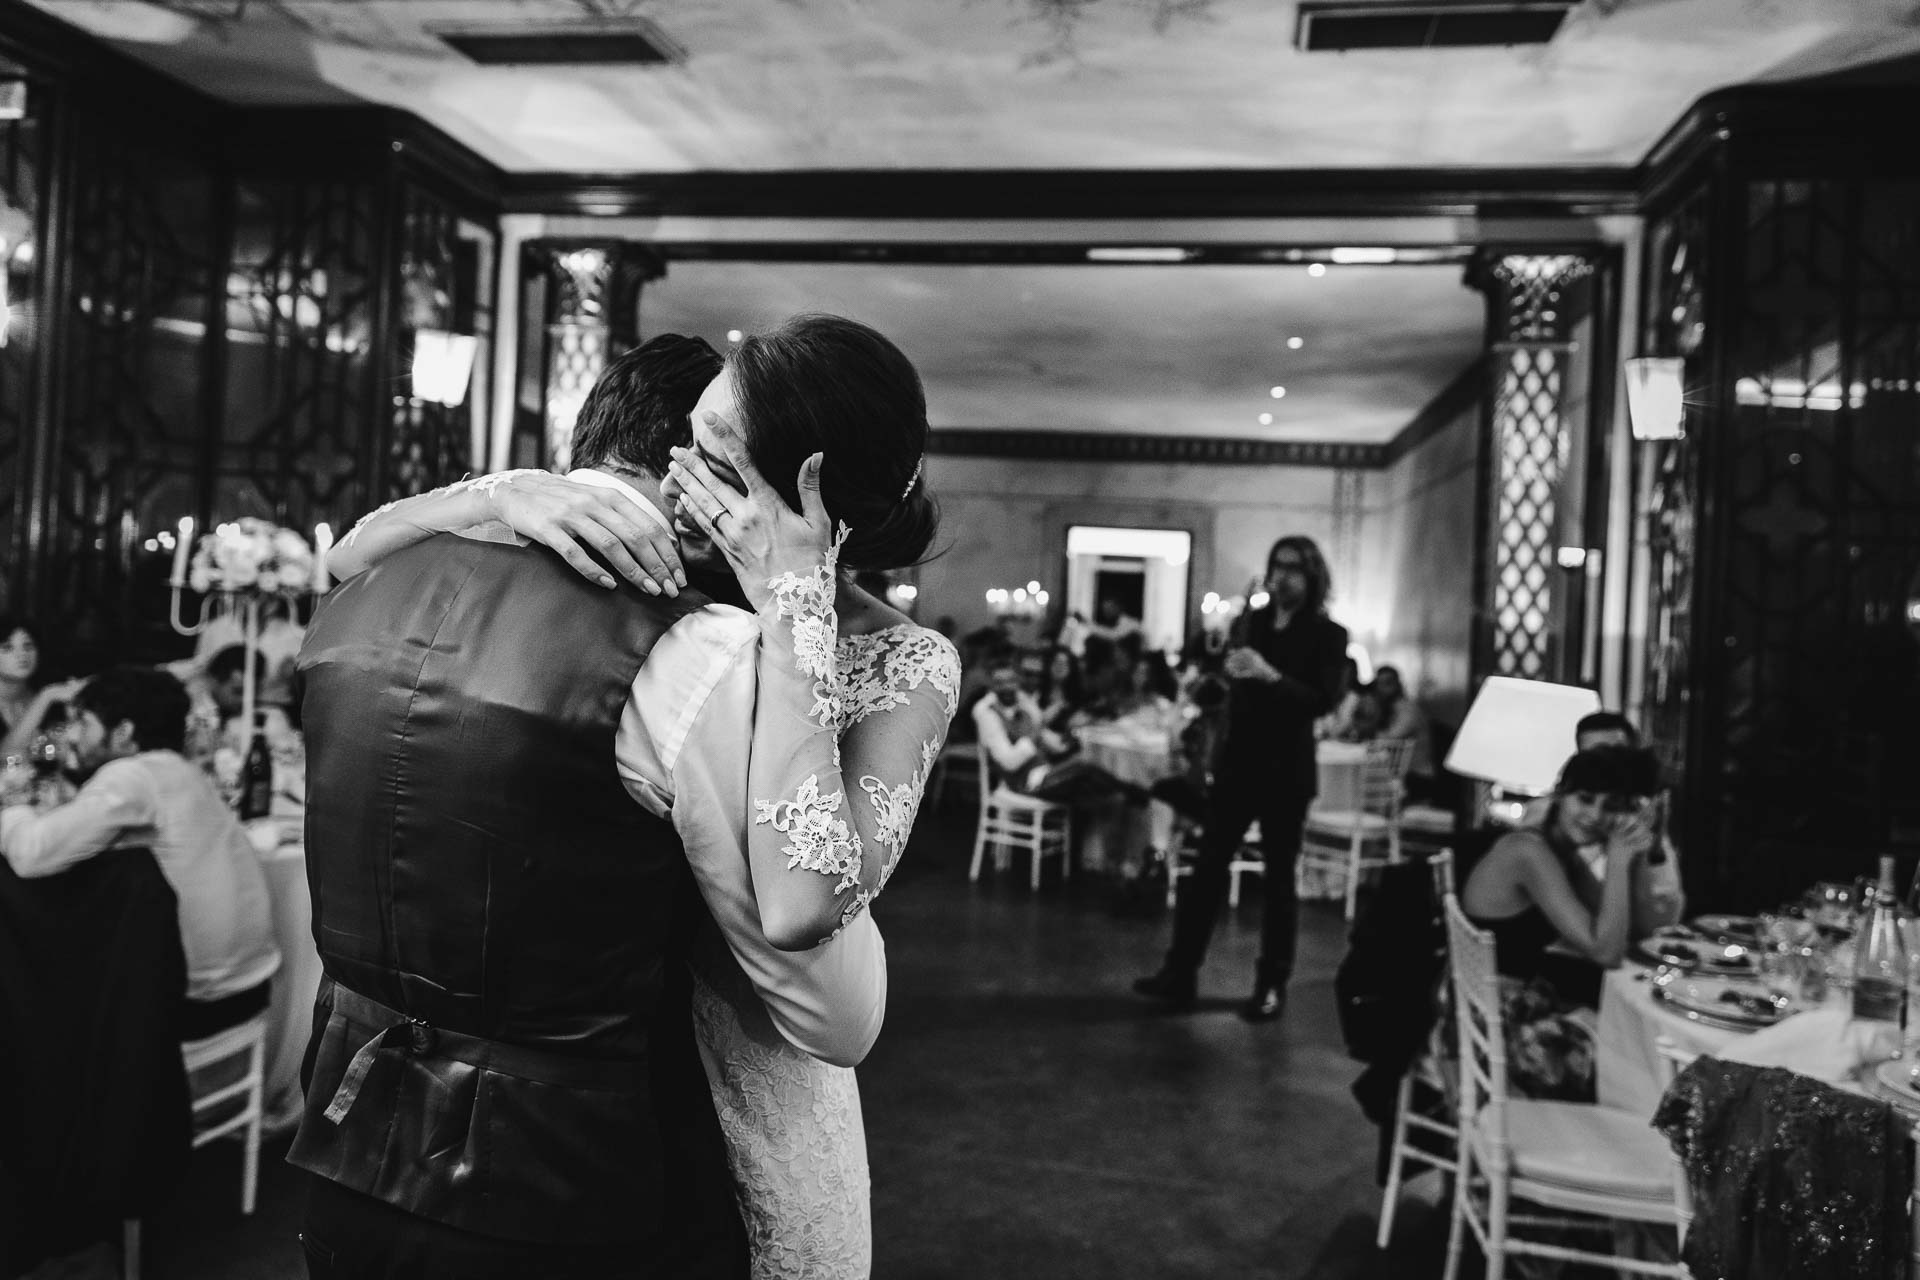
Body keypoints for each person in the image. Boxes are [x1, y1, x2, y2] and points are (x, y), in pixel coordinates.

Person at [304, 318, 958, 1280]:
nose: (678, 476)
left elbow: (831, 992)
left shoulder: (876, 657)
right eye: (685, 441)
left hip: (720, 1071)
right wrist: (501, 490)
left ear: (804, 502)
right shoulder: (675, 627)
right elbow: (344, 558)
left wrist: (794, 616)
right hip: (575, 1111)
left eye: (715, 460)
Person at [0, 665, 281, 1037]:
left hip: (196, 1001)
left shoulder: (134, 776)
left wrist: (13, 804)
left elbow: (31, 854)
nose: (73, 735)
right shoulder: (182, 771)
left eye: (83, 722)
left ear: (124, 732)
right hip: (249, 986)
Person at [1135, 535, 1348, 1022]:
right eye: (1278, 566)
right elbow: (1229, 687)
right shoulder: (1250, 623)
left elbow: (1321, 701)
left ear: (1312, 576)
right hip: (1239, 764)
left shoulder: (1329, 634)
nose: (1283, 577)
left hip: (1287, 771)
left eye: (1294, 569)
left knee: (1279, 884)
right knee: (1207, 872)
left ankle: (1271, 985)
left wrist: (1269, 674)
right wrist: (1219, 680)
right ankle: (1179, 972)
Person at [1459, 745, 1664, 1100]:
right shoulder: (1528, 852)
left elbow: (1630, 932)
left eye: (1611, 806)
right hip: (1495, 1025)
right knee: (1647, 1068)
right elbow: (1607, 952)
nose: (1595, 815)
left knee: (1643, 1044)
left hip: (1506, 1005)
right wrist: (1618, 860)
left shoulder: (1560, 852)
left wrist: (1637, 854)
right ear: (1559, 793)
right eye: (1585, 799)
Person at [972, 653, 1141, 809]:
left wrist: (1072, 736)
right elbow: (1009, 763)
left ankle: (1129, 796)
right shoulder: (988, 713)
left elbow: (1051, 741)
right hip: (1025, 784)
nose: (1007, 687)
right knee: (1085, 769)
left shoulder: (1021, 705)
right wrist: (1033, 736)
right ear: (991, 685)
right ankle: (1134, 794)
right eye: (1000, 683)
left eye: (1011, 681)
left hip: (1045, 772)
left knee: (1090, 767)